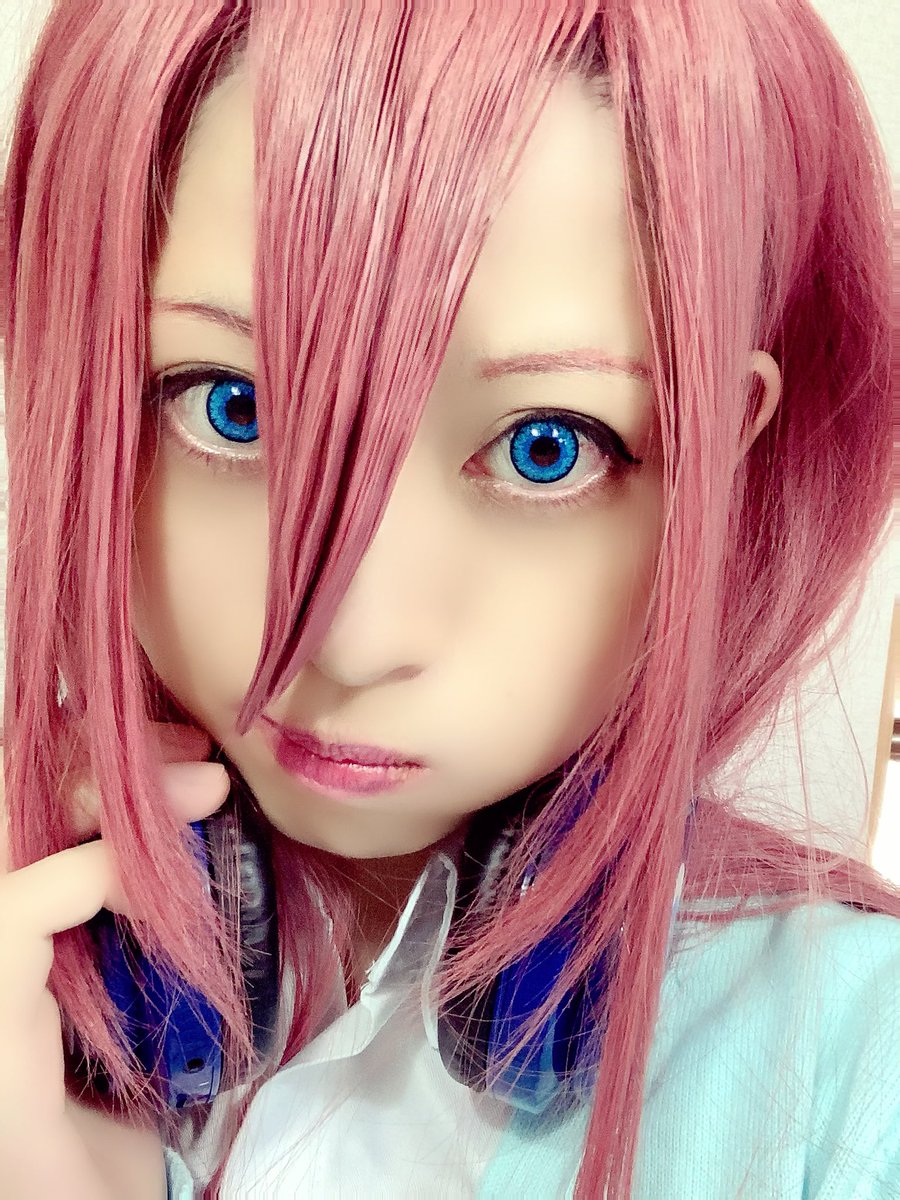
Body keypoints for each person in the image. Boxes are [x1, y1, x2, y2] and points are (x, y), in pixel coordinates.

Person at [0, 2, 897, 1197]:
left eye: (544, 447)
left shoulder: (862, 1078)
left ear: (719, 450)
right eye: (231, 407)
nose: (350, 639)